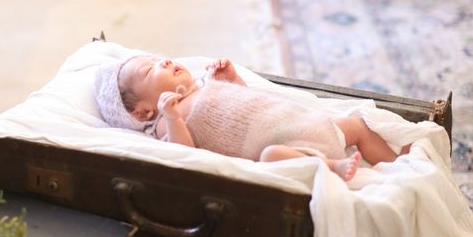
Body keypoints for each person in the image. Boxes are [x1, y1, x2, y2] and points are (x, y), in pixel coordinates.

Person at [94, 53, 411, 182]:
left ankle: (396, 163)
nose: (164, 62)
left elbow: (249, 100)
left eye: (159, 59)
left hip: (301, 123)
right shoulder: (166, 119)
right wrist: (173, 118)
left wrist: (231, 79)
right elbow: (187, 154)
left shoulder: (204, 85)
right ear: (143, 111)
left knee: (356, 124)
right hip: (289, 146)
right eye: (149, 70)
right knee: (271, 156)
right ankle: (331, 166)